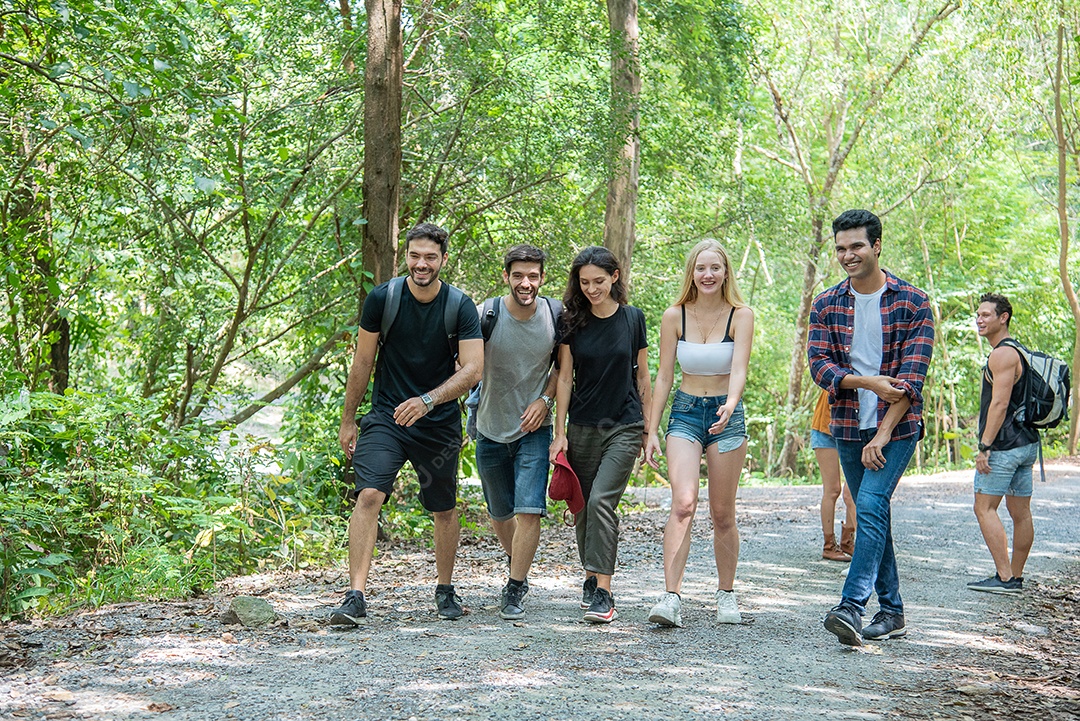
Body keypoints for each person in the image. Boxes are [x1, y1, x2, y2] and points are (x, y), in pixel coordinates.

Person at [331, 223, 483, 625]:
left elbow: (474, 369)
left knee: (443, 508)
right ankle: (356, 594)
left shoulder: (460, 306)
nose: (422, 263)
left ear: (443, 260)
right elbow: (363, 361)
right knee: (368, 496)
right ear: (407, 257)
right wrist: (349, 419)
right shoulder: (383, 298)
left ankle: (445, 589)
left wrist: (429, 400)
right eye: (415, 255)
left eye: (430, 257)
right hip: (386, 416)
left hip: (439, 421)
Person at [809, 209, 934, 646]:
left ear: (877, 246)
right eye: (841, 248)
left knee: (872, 501)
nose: (848, 255)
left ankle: (851, 606)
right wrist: (863, 382)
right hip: (845, 424)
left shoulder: (913, 302)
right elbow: (820, 368)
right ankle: (894, 611)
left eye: (857, 246)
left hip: (896, 429)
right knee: (874, 510)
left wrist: (881, 435)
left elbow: (911, 381)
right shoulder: (826, 303)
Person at [644, 239, 754, 627]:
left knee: (723, 512)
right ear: (691, 272)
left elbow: (739, 369)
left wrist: (731, 402)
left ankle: (726, 595)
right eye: (701, 268)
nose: (708, 275)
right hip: (686, 413)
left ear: (726, 272)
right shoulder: (675, 315)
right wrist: (652, 429)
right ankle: (670, 597)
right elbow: (664, 378)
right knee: (684, 503)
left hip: (727, 414)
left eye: (715, 268)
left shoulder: (741, 315)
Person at [549, 246, 651, 624]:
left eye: (599, 281)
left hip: (624, 424)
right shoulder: (571, 321)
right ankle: (590, 577)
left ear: (615, 277)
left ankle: (604, 593)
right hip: (581, 426)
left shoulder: (632, 318)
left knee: (601, 503)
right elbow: (563, 377)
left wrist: (648, 429)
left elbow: (643, 376)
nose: (592, 288)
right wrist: (559, 433)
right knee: (581, 507)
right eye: (584, 281)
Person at [474, 245, 561, 620]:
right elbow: (463, 362)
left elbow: (564, 368)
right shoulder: (485, 314)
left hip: (534, 428)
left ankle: (515, 585)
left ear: (542, 278)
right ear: (506, 276)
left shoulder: (556, 315)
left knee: (530, 509)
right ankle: (519, 560)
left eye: (533, 276)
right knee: (499, 512)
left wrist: (545, 399)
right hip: (490, 425)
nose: (526, 283)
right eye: (518, 276)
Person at [967, 293, 1039, 595]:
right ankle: (1015, 576)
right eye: (978, 315)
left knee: (984, 508)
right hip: (1027, 443)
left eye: (986, 315)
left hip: (1005, 446)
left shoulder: (1002, 354)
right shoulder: (1020, 351)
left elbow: (999, 404)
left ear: (1003, 318)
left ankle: (1006, 577)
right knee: (1020, 512)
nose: (980, 320)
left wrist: (985, 447)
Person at [811, 390, 856, 562]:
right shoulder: (830, 366)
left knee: (852, 491)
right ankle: (829, 545)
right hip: (824, 429)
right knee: (832, 490)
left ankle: (848, 540)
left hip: (851, 429)